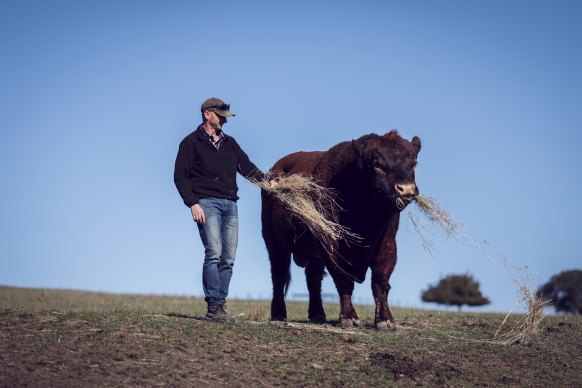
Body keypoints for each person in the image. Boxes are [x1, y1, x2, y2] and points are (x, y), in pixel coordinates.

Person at [174, 97, 275, 323]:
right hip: (206, 203)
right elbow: (180, 176)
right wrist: (193, 203)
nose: (224, 121)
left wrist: (267, 181)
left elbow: (246, 167)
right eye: (221, 116)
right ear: (207, 114)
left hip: (231, 204)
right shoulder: (191, 143)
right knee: (214, 253)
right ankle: (214, 308)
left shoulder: (230, 143)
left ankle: (220, 305)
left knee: (228, 258)